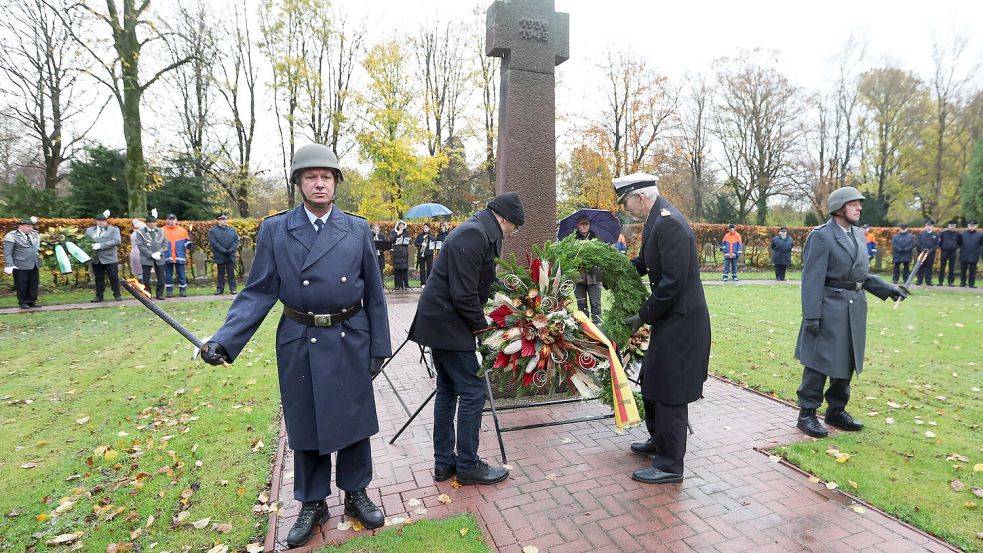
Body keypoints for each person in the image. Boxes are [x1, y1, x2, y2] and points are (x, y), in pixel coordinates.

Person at [199, 144, 391, 546]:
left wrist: (379, 346)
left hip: (349, 335)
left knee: (354, 421)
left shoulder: (356, 228)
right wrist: (224, 340)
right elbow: (258, 292)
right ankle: (312, 501)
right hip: (299, 338)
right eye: (310, 177)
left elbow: (374, 292)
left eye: (326, 176)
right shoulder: (276, 229)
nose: (319, 183)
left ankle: (356, 494)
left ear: (335, 182)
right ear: (298, 183)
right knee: (307, 422)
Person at [408, 192, 524, 486]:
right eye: (515, 227)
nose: (513, 233)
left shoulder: (478, 231)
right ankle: (468, 465)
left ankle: (444, 463)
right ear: (505, 219)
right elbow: (464, 294)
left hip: (442, 324)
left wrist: (513, 292)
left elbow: (479, 279)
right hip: (448, 325)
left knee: (448, 389)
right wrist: (484, 327)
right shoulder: (473, 233)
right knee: (473, 391)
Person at [614, 172, 710, 485]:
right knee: (653, 378)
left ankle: (670, 465)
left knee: (670, 390)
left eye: (627, 202)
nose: (626, 208)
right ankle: (659, 441)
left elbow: (672, 283)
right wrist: (613, 268)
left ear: (640, 197)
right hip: (670, 317)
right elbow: (644, 262)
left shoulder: (669, 222)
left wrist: (643, 315)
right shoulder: (656, 219)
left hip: (681, 319)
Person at [794, 187, 909, 438]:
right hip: (828, 307)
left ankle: (836, 410)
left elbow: (861, 274)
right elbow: (811, 279)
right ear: (839, 207)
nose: (859, 208)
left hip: (854, 308)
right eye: (854, 204)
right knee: (818, 361)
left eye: (859, 204)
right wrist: (812, 315)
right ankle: (807, 413)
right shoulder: (821, 236)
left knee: (847, 360)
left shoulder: (857, 234)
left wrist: (888, 289)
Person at [3, 217, 41, 309]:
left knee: (33, 283)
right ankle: (23, 302)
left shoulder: (35, 235)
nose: (30, 228)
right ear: (21, 226)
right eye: (28, 226)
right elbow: (7, 252)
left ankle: (32, 301)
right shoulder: (12, 236)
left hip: (34, 263)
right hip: (19, 264)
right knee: (21, 284)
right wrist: (9, 264)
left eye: (31, 226)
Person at [84, 210, 123, 302]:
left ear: (106, 221)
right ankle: (99, 296)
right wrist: (89, 247)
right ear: (96, 221)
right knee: (98, 278)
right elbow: (85, 242)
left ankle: (117, 294)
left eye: (103, 220)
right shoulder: (89, 231)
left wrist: (101, 245)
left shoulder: (113, 229)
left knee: (113, 277)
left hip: (110, 258)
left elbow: (116, 241)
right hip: (96, 258)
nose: (101, 222)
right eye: (99, 220)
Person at [573, 215, 603, 323]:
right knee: (581, 304)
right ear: (577, 225)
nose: (584, 226)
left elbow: (602, 257)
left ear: (589, 225)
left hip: (595, 275)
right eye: (582, 224)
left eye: (586, 224)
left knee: (595, 303)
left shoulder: (597, 238)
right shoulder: (572, 239)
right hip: (578, 277)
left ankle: (598, 326)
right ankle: (584, 327)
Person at [136, 212, 170, 300]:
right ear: (147, 223)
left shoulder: (161, 231)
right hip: (146, 258)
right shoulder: (140, 232)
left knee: (161, 277)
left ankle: (160, 294)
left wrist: (159, 252)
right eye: (151, 222)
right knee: (146, 279)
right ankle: (148, 294)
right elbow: (140, 246)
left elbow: (165, 244)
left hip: (159, 257)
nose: (153, 224)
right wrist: (151, 254)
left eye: (154, 222)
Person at [208, 214, 240, 295]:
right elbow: (214, 242)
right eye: (222, 219)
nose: (224, 221)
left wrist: (231, 249)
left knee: (231, 273)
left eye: (225, 219)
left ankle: (233, 289)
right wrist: (223, 250)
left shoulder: (231, 229)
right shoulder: (212, 231)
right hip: (220, 255)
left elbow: (236, 240)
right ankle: (220, 289)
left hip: (230, 255)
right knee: (220, 273)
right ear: (218, 220)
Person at [162, 214, 192, 297]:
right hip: (167, 256)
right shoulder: (162, 230)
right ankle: (169, 291)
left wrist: (189, 244)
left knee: (181, 274)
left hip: (179, 256)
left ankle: (183, 291)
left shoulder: (182, 230)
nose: (172, 221)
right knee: (168, 275)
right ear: (167, 220)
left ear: (176, 220)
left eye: (173, 219)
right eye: (170, 219)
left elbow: (187, 241)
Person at [914, 220, 939, 285]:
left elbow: (936, 245)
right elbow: (918, 243)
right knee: (920, 267)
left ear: (932, 226)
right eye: (927, 226)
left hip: (930, 254)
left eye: (930, 226)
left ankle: (928, 281)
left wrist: (930, 251)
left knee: (929, 268)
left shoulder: (935, 235)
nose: (928, 227)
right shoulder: (921, 234)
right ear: (925, 226)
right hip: (922, 254)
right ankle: (919, 280)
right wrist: (922, 250)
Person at [938, 220, 961, 286]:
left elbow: (959, 243)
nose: (952, 227)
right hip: (944, 251)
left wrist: (955, 247)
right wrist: (942, 247)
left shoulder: (957, 234)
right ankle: (940, 281)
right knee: (942, 266)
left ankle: (951, 282)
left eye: (953, 226)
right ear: (948, 226)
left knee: (952, 267)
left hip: (953, 252)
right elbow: (940, 242)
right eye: (951, 226)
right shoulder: (943, 233)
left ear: (955, 226)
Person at [390, 220, 411, 290]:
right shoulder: (394, 231)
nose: (401, 226)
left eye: (402, 225)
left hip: (404, 253)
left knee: (404, 269)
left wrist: (408, 239)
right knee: (397, 269)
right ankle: (397, 285)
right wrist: (398, 233)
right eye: (400, 225)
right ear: (398, 225)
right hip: (397, 253)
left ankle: (405, 284)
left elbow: (409, 241)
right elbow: (391, 240)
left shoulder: (406, 232)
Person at [960, 220, 980, 288]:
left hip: (974, 255)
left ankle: (971, 284)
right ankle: (962, 283)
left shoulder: (980, 235)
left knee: (972, 271)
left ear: (976, 226)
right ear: (967, 226)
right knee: (963, 270)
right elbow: (959, 243)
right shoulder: (962, 234)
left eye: (973, 226)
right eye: (970, 226)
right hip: (964, 254)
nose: (971, 227)